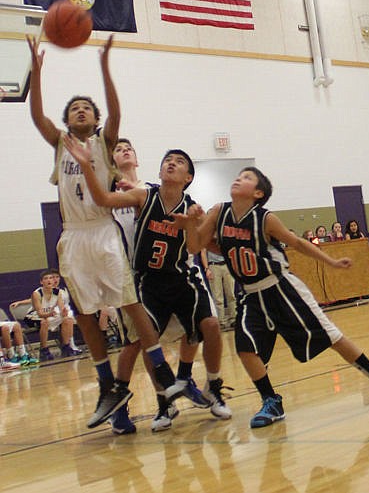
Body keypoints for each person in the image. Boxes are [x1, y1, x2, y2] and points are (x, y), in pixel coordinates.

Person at [173, 166, 369, 428]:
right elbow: (195, 246)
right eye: (239, 175)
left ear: (258, 193)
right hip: (251, 295)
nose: (238, 179)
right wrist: (189, 224)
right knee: (245, 348)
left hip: (280, 287)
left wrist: (331, 261)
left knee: (330, 335)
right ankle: (271, 401)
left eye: (247, 177)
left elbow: (297, 243)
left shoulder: (266, 219)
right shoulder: (219, 212)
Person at [26, 35, 183, 429]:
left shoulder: (104, 142)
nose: (81, 111)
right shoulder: (60, 143)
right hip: (72, 235)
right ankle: (107, 385)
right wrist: (36, 72)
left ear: (94, 120)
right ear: (68, 121)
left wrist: (105, 67)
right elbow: (38, 117)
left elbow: (115, 111)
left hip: (102, 230)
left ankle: (163, 372)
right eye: (74, 109)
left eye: (86, 108)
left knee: (129, 303)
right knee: (84, 313)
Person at [64, 136, 232, 431]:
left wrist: (193, 225)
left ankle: (202, 383)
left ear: (188, 177)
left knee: (206, 326)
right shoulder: (141, 194)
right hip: (141, 278)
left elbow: (197, 246)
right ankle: (158, 401)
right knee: (141, 340)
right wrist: (85, 166)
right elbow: (103, 199)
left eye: (179, 161)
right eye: (168, 160)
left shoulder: (191, 207)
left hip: (180, 275)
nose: (171, 163)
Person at [109, 138, 209, 434]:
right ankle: (123, 406)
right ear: (111, 161)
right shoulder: (110, 194)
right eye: (118, 149)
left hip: (166, 273)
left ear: (138, 159)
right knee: (136, 343)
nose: (125, 151)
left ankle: (181, 383)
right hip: (129, 273)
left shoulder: (154, 189)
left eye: (129, 148)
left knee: (194, 325)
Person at [30, 269, 75, 360]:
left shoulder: (57, 292)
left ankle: (66, 346)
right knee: (44, 322)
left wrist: (64, 312)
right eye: (46, 278)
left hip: (49, 315)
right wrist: (50, 314)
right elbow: (40, 313)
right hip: (34, 317)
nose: (49, 280)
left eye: (51, 278)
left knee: (68, 319)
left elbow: (61, 308)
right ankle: (44, 349)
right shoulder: (37, 293)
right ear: (41, 282)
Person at [201, 248, 236, 330]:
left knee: (231, 294)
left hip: (227, 265)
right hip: (213, 266)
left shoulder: (224, 239)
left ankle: (233, 319)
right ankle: (221, 321)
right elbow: (203, 252)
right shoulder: (208, 239)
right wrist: (207, 269)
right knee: (217, 297)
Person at [50, 268, 82, 355]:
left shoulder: (64, 289)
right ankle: (68, 345)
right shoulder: (47, 291)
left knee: (71, 317)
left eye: (57, 277)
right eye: (53, 277)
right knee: (67, 319)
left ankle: (71, 345)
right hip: (54, 313)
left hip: (66, 310)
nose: (55, 279)